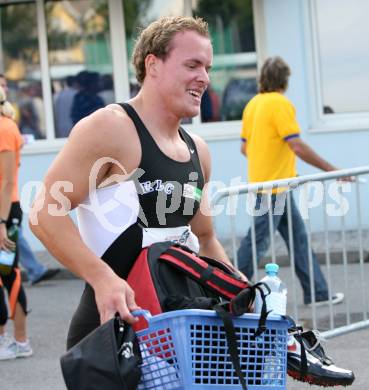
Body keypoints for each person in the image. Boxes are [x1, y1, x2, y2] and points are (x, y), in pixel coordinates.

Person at [30, 16, 240, 350]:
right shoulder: (109, 128)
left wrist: (241, 290)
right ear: (153, 64)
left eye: (208, 68)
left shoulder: (198, 150)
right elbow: (44, 214)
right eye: (192, 65)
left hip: (181, 331)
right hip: (114, 334)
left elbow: (206, 238)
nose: (204, 78)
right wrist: (102, 279)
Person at [237, 56, 344, 306]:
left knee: (298, 239)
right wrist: (330, 168)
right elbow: (295, 144)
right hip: (274, 188)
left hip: (271, 185)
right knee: (257, 243)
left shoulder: (253, 104)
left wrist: (277, 166)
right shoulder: (280, 103)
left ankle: (317, 292)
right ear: (284, 80)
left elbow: (245, 148)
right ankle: (226, 288)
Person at [0, 81, 32, 360]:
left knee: (9, 274)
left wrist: (0, 222)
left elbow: (8, 180)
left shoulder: (5, 128)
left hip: (6, 213)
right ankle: (4, 338)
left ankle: (21, 341)